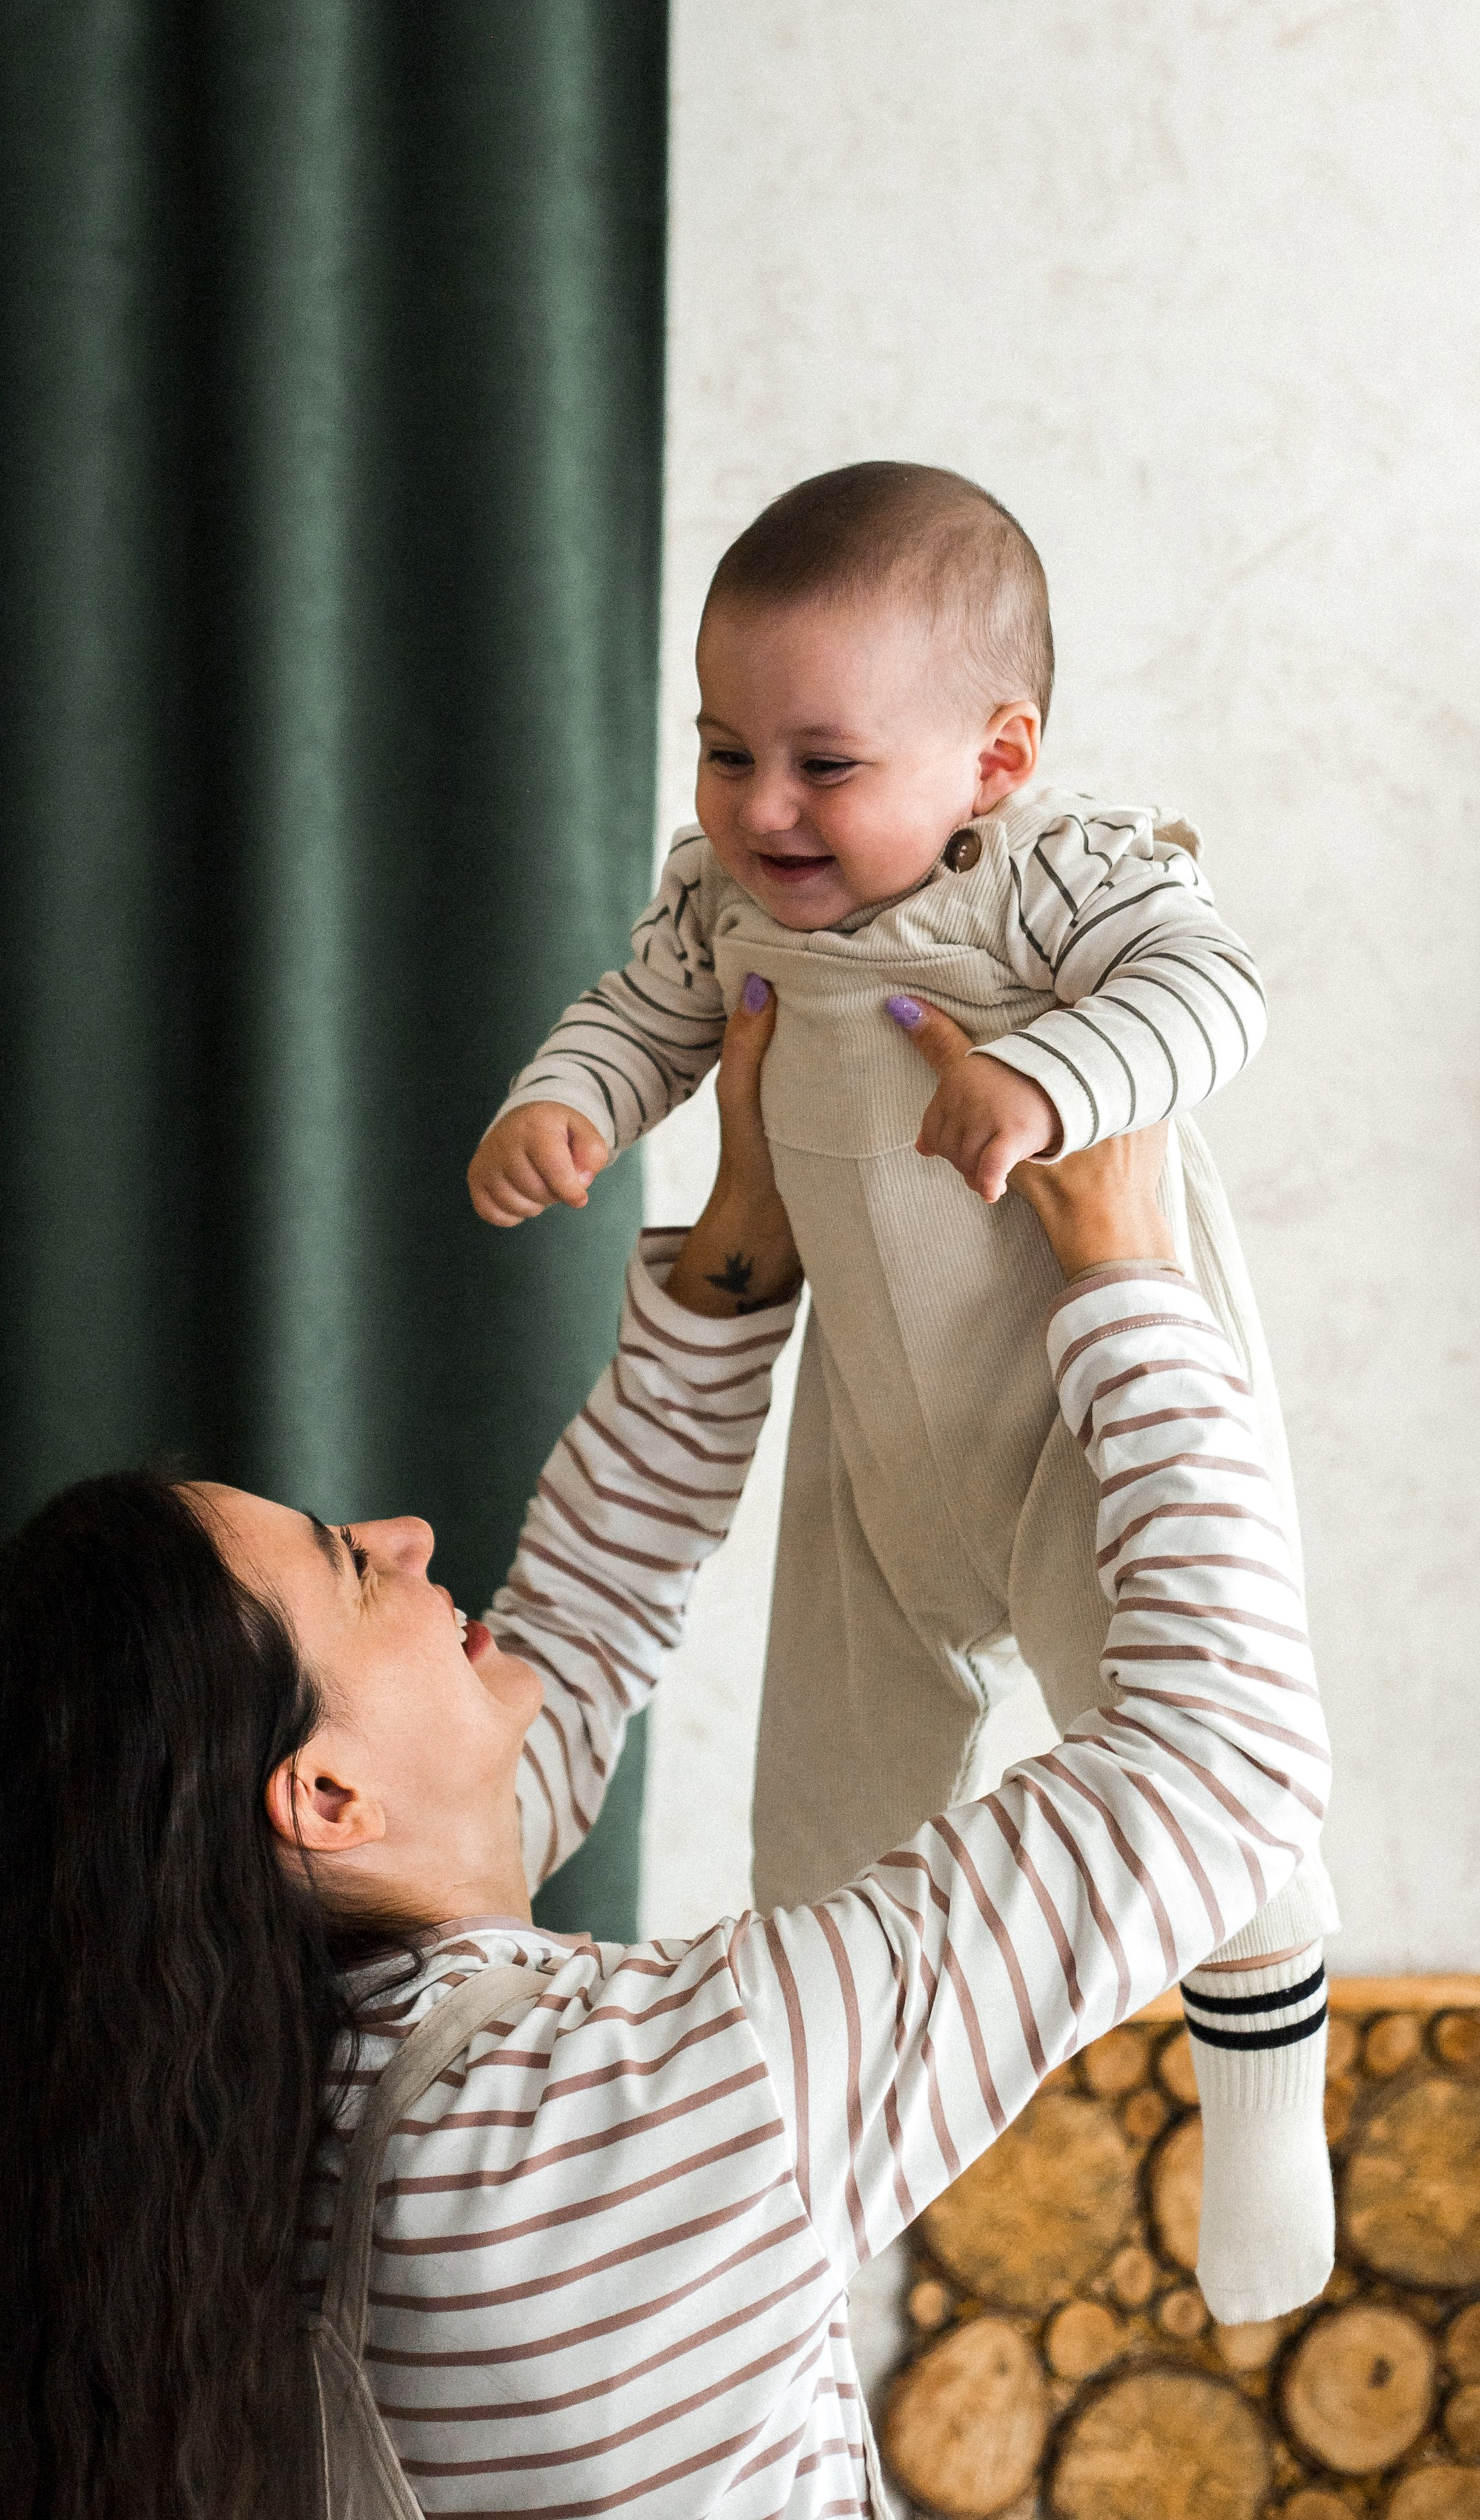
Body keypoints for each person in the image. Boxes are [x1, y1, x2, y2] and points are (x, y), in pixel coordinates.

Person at [0, 987, 1328, 2519]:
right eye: (350, 1568)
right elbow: (1225, 1764)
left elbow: (579, 1629)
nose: (408, 1538)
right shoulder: (618, 2123)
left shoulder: (240, 2113)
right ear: (323, 1799)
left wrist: (738, 1254)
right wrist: (1126, 1275)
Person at [467, 459, 1337, 2323]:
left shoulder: (1065, 878)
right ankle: (814, 2235)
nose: (762, 807)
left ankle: (1264, 2090)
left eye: (822, 762)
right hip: (866, 1434)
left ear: (997, 759)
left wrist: (1053, 1086)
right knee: (825, 1831)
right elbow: (643, 1016)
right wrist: (573, 1105)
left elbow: (1215, 990)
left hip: (1078, 1434)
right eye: (724, 750)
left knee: (1204, 1771)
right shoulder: (720, 898)